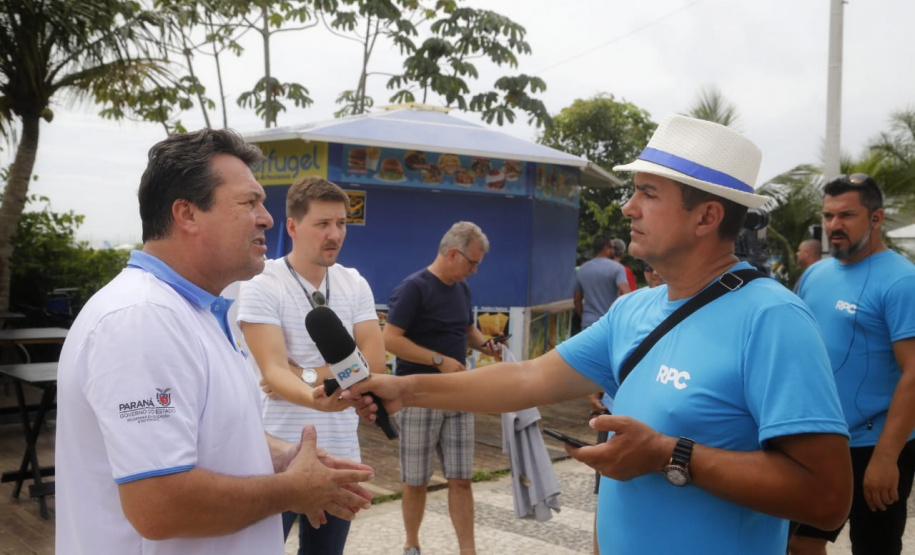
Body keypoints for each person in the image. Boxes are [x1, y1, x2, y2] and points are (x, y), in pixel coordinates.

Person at [346, 115, 853, 554]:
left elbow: (827, 498)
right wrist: (404, 389)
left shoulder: (773, 319)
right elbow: (526, 379)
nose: (628, 207)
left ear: (707, 216)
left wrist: (669, 454)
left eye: (648, 194)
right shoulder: (634, 309)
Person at [54, 129, 374, 554]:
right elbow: (160, 505)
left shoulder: (196, 312)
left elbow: (206, 434)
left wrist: (281, 456)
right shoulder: (143, 319)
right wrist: (292, 490)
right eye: (249, 203)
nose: (267, 218)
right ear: (187, 214)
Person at [236, 176, 386, 555]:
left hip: (340, 454)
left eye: (341, 223)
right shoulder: (262, 282)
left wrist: (302, 373)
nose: (334, 234)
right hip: (275, 458)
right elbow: (272, 371)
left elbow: (375, 367)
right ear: (292, 226)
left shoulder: (354, 283)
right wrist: (317, 393)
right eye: (322, 224)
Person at [791, 174, 915, 555]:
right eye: (828, 216)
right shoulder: (815, 274)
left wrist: (886, 458)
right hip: (819, 440)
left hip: (874, 444)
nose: (834, 225)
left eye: (846, 215)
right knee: (799, 543)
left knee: (874, 547)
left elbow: (914, 372)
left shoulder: (902, 281)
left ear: (876, 218)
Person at [383, 221, 500, 555]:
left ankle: (468, 551)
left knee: (462, 479)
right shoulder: (414, 288)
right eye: (472, 263)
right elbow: (390, 339)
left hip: (459, 394)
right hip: (418, 396)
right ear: (452, 254)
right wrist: (438, 361)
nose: (474, 271)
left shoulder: (461, 288)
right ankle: (412, 544)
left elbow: (467, 330)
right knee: (416, 479)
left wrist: (487, 345)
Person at [574, 235, 631, 331]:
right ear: (606, 249)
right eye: (612, 247)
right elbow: (627, 295)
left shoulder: (582, 269)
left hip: (588, 324)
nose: (614, 251)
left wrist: (584, 316)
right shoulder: (617, 268)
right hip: (609, 322)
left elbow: (577, 300)